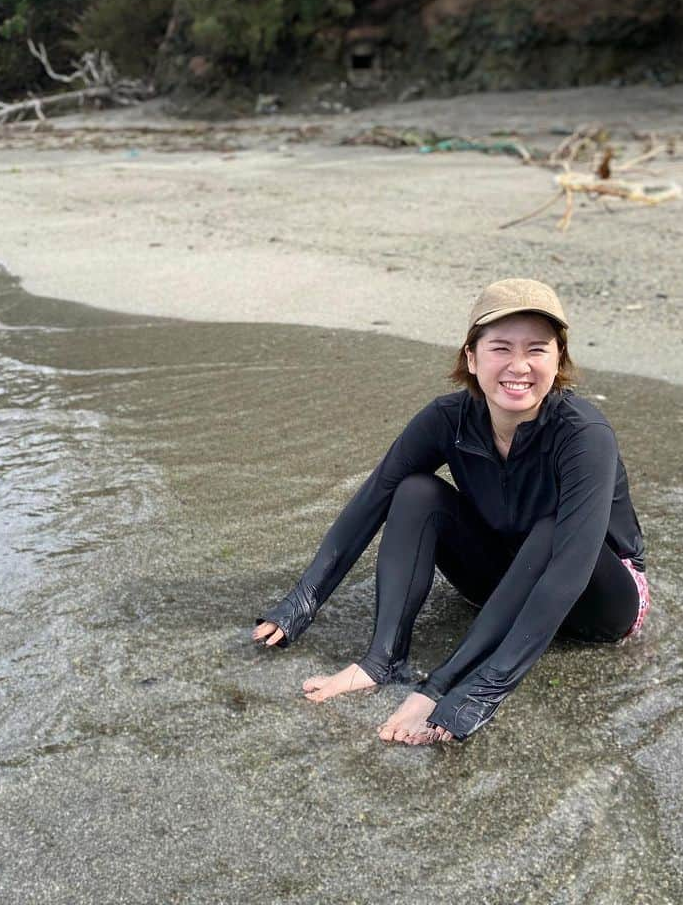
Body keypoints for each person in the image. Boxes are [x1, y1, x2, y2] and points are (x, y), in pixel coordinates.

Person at [251, 278, 649, 744]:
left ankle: (449, 678)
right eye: (500, 348)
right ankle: (383, 658)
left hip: (595, 598)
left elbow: (569, 569)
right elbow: (373, 498)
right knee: (416, 491)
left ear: (558, 360)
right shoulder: (447, 418)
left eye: (537, 350)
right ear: (471, 357)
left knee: (552, 528)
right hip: (502, 577)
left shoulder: (584, 434)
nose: (518, 366)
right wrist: (301, 602)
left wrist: (451, 687)